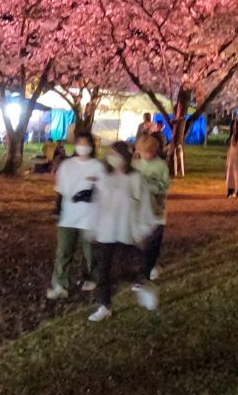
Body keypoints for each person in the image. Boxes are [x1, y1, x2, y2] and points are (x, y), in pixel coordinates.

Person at [88, 140, 154, 322]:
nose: (112, 158)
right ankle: (105, 305)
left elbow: (144, 206)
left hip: (126, 230)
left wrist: (143, 229)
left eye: (115, 154)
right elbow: (97, 203)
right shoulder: (104, 177)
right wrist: (93, 226)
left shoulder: (136, 179)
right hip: (106, 230)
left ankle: (142, 284)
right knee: (103, 270)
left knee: (125, 268)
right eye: (110, 154)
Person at [48, 134, 102, 299]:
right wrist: (58, 209)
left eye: (86, 143)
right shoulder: (67, 165)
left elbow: (103, 190)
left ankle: (92, 277)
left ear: (91, 147)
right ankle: (60, 285)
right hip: (69, 216)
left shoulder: (97, 166)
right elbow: (61, 190)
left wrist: (90, 194)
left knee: (89, 252)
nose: (83, 147)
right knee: (63, 252)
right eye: (80, 143)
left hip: (89, 217)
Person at [134, 132, 171, 281]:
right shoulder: (136, 164)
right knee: (142, 241)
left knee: (154, 241)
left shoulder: (161, 166)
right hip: (140, 210)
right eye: (142, 152)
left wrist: (148, 184)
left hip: (156, 209)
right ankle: (145, 265)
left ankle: (150, 266)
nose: (145, 155)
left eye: (148, 153)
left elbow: (165, 186)